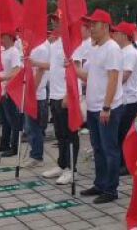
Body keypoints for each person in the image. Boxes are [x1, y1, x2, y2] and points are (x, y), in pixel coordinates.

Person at [79, 9, 124, 204]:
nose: (91, 28)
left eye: (94, 24)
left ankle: (111, 189)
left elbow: (113, 79)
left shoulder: (112, 48)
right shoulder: (95, 48)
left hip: (108, 108)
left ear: (105, 26)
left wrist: (106, 107)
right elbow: (90, 77)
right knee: (97, 148)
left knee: (109, 149)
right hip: (93, 107)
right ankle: (100, 183)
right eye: (89, 24)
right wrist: (71, 66)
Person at [42, 17, 80, 185]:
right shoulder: (55, 43)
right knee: (60, 134)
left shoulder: (71, 44)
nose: (54, 24)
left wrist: (69, 94)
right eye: (53, 21)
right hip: (54, 95)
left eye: (57, 21)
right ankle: (61, 164)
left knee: (70, 133)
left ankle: (71, 168)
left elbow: (75, 71)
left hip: (65, 95)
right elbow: (52, 67)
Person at [112, 21, 137, 176]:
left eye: (116, 33)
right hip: (121, 98)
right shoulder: (122, 51)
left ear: (124, 35)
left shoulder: (130, 52)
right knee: (119, 134)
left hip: (127, 100)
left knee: (124, 134)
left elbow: (126, 75)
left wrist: (110, 85)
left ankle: (126, 164)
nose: (114, 35)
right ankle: (122, 162)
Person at [23, 39, 50, 168]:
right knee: (30, 128)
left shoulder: (41, 49)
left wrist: (31, 91)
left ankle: (37, 157)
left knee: (35, 128)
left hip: (37, 96)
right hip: (30, 94)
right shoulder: (31, 47)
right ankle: (35, 154)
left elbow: (41, 70)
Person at [0, 30, 23, 157]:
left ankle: (14, 146)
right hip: (1, 89)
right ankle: (4, 144)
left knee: (13, 120)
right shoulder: (2, 51)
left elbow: (17, 71)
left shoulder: (14, 52)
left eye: (4, 36)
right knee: (4, 120)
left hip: (9, 90)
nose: (1, 39)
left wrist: (6, 81)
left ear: (10, 37)